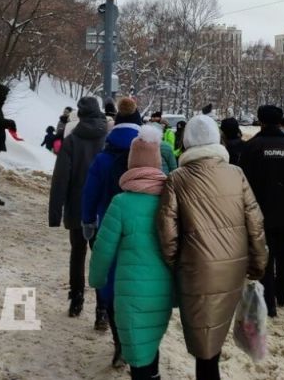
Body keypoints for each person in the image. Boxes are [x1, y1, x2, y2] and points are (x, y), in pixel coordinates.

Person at [157, 115, 267, 380]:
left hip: (195, 268)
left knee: (204, 341)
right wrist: (258, 263)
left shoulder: (177, 178)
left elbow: (167, 231)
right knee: (212, 338)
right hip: (233, 267)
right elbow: (255, 221)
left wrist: (177, 263)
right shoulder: (236, 173)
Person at [89, 126, 174, 379]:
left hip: (130, 294)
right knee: (151, 342)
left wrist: (97, 280)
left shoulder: (122, 203)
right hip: (163, 292)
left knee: (137, 351)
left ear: (131, 163)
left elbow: (103, 249)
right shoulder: (170, 200)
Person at [82, 97, 142, 365]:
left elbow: (89, 194)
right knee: (139, 285)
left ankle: (119, 343)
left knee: (111, 283)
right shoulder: (149, 156)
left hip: (109, 227)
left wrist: (87, 222)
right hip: (142, 231)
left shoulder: (104, 158)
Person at [240, 105, 284, 317]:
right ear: (280, 122)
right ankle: (283, 294)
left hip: (260, 213)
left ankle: (268, 303)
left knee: (264, 257)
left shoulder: (252, 147)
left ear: (260, 120)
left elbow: (244, 183)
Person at [48, 97, 108, 320]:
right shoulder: (107, 138)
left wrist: (55, 213)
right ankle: (102, 309)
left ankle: (76, 300)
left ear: (80, 115)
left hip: (77, 205)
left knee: (78, 253)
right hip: (102, 208)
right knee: (100, 257)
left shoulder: (71, 141)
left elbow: (60, 179)